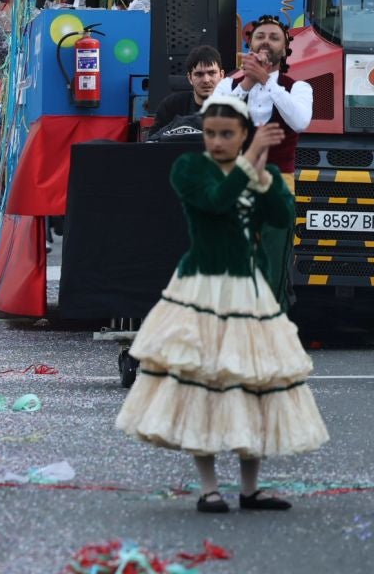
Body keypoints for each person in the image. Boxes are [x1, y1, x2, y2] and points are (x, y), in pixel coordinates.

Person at [115, 92, 328, 513]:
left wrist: (267, 180)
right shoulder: (190, 168)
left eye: (226, 134)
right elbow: (215, 203)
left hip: (248, 289)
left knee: (253, 382)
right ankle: (209, 488)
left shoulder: (255, 170)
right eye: (210, 133)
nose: (215, 142)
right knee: (205, 381)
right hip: (202, 287)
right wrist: (251, 163)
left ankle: (250, 488)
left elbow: (282, 219)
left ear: (244, 134)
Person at [215, 18, 312, 310]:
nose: (266, 42)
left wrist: (268, 81)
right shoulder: (226, 85)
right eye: (260, 37)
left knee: (274, 264)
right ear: (250, 44)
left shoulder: (299, 88)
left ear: (285, 48)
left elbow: (300, 120)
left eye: (274, 37)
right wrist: (246, 84)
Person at [153, 45, 225, 125]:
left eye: (211, 73)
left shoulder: (235, 108)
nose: (206, 80)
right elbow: (154, 137)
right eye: (199, 74)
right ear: (190, 78)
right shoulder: (171, 106)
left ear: (221, 75)